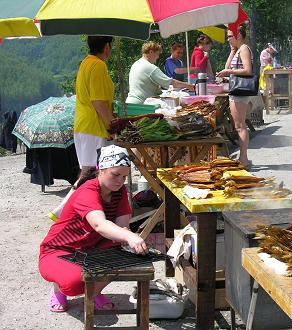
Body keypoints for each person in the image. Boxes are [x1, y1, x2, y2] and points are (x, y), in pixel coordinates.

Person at [39, 145, 149, 313]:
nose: (120, 181)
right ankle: (58, 288)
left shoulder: (119, 191)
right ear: (101, 170)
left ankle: (94, 291)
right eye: (115, 175)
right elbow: (100, 224)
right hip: (59, 249)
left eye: (124, 176)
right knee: (74, 283)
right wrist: (130, 237)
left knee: (122, 255)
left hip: (90, 246)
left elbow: (122, 226)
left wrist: (129, 238)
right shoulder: (87, 191)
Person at [47, 36, 115, 222]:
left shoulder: (86, 62)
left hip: (84, 125)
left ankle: (76, 212)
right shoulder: (99, 66)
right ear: (107, 46)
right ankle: (62, 212)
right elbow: (98, 101)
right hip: (93, 126)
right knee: (89, 174)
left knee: (89, 172)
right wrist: (114, 124)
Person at [217, 23, 253, 168]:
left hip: (240, 91)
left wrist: (229, 73)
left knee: (240, 126)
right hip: (236, 91)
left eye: (230, 36)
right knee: (239, 125)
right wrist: (232, 50)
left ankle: (243, 158)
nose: (228, 39)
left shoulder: (244, 49)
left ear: (238, 35)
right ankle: (242, 157)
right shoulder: (238, 49)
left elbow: (247, 70)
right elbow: (227, 67)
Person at [126, 41, 193, 104]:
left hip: (130, 103)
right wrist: (189, 86)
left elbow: (145, 85)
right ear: (151, 52)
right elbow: (172, 83)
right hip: (142, 105)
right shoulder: (150, 67)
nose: (158, 57)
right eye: (157, 54)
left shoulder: (136, 64)